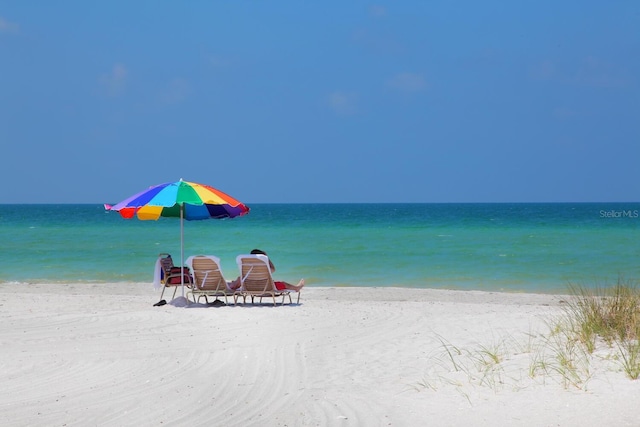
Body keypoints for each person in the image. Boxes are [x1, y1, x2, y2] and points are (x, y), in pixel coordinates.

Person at [229, 249, 305, 291]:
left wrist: (233, 284)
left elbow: (237, 283)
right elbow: (273, 269)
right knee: (283, 283)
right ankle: (297, 288)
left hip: (250, 288)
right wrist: (267, 258)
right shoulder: (264, 268)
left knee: (239, 279)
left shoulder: (246, 271)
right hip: (265, 288)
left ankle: (297, 287)